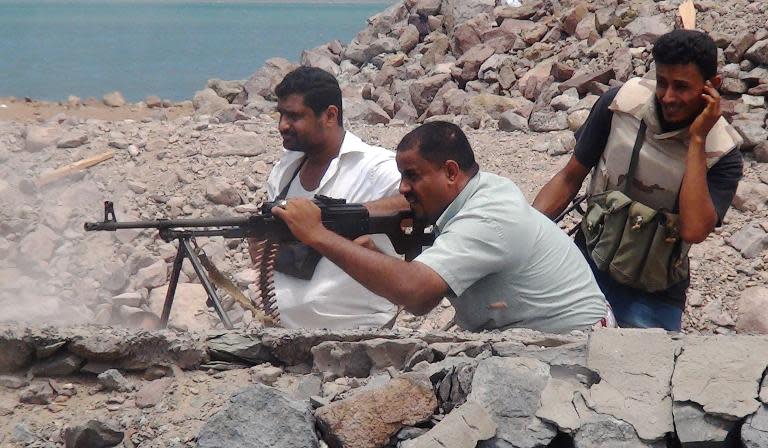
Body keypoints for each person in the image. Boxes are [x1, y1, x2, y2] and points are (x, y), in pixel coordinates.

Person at [272, 121, 612, 334]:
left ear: (451, 172)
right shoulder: (477, 195)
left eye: (413, 176)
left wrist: (318, 235)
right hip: (546, 338)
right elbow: (420, 299)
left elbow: (417, 293)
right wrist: (373, 256)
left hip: (577, 345)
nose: (403, 188)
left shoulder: (488, 217)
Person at [532, 29, 743, 331]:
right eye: (662, 82)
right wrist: (527, 230)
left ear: (712, 87)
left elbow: (694, 230)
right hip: (586, 266)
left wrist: (697, 139)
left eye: (682, 87)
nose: (668, 97)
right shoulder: (620, 104)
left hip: (655, 295)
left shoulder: (722, 154)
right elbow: (570, 177)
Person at [248, 66, 402, 329]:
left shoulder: (374, 167)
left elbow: (420, 202)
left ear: (330, 116)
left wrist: (333, 218)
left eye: (295, 116)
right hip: (283, 330)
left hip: (359, 331)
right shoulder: (285, 171)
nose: (282, 125)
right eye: (281, 114)